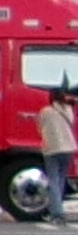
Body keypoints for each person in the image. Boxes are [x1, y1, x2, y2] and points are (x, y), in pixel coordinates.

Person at [40, 91, 75, 226]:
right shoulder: (68, 110)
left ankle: (57, 213)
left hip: (52, 149)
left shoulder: (46, 111)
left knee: (53, 180)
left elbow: (40, 127)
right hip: (69, 148)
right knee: (60, 180)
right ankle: (57, 208)